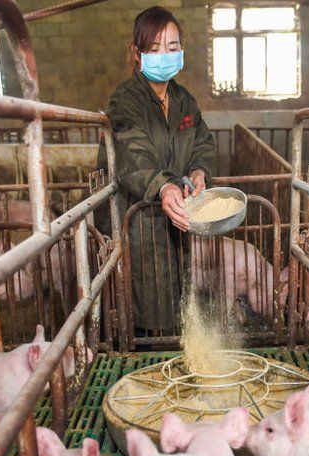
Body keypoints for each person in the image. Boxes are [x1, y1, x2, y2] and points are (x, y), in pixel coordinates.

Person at [97, 6, 215, 335]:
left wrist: (199, 172)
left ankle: (170, 351)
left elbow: (203, 142)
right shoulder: (125, 101)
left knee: (176, 298)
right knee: (138, 305)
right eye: (154, 49)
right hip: (134, 221)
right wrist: (164, 187)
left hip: (175, 220)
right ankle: (138, 358)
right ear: (137, 53)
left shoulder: (184, 101)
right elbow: (133, 152)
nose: (165, 56)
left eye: (173, 48)